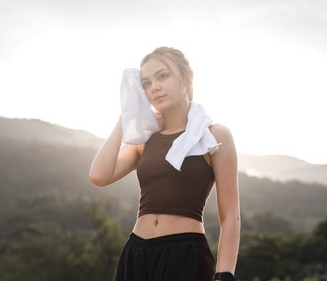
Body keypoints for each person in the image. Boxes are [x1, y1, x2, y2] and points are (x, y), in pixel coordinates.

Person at [89, 47, 240, 281]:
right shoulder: (145, 139)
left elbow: (230, 215)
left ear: (187, 77)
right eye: (146, 83)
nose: (154, 87)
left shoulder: (213, 136)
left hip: (185, 256)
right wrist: (128, 113)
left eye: (163, 76)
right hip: (136, 254)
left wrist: (225, 275)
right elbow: (99, 176)